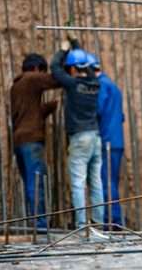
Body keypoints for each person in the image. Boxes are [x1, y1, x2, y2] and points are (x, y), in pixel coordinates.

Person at [50, 37, 107, 239]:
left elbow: (54, 69)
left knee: (77, 183)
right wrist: (75, 45)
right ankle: (98, 225)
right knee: (96, 182)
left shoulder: (73, 84)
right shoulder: (94, 83)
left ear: (73, 69)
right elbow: (86, 65)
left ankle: (82, 227)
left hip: (80, 138)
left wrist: (62, 49)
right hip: (95, 136)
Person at [11, 53, 59, 229]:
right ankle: (40, 225)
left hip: (19, 140)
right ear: (37, 69)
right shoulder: (31, 79)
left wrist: (47, 108)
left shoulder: (16, 85)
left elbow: (28, 114)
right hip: (31, 141)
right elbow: (56, 80)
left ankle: (36, 223)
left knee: (30, 183)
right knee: (36, 182)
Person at [86, 53, 125, 229]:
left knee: (106, 182)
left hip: (107, 141)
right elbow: (120, 116)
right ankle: (114, 220)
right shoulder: (113, 86)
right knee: (112, 181)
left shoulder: (101, 85)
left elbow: (98, 109)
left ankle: (114, 222)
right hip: (117, 140)